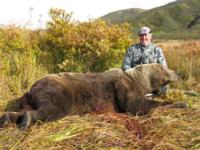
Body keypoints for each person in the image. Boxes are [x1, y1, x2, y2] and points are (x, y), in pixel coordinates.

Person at [122, 26, 168, 95]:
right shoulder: (132, 49)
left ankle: (149, 93)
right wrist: (134, 75)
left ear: (150, 36)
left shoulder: (157, 50)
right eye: (141, 35)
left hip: (152, 80)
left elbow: (164, 67)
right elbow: (125, 66)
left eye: (145, 35)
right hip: (135, 80)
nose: (144, 38)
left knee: (164, 86)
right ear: (139, 37)